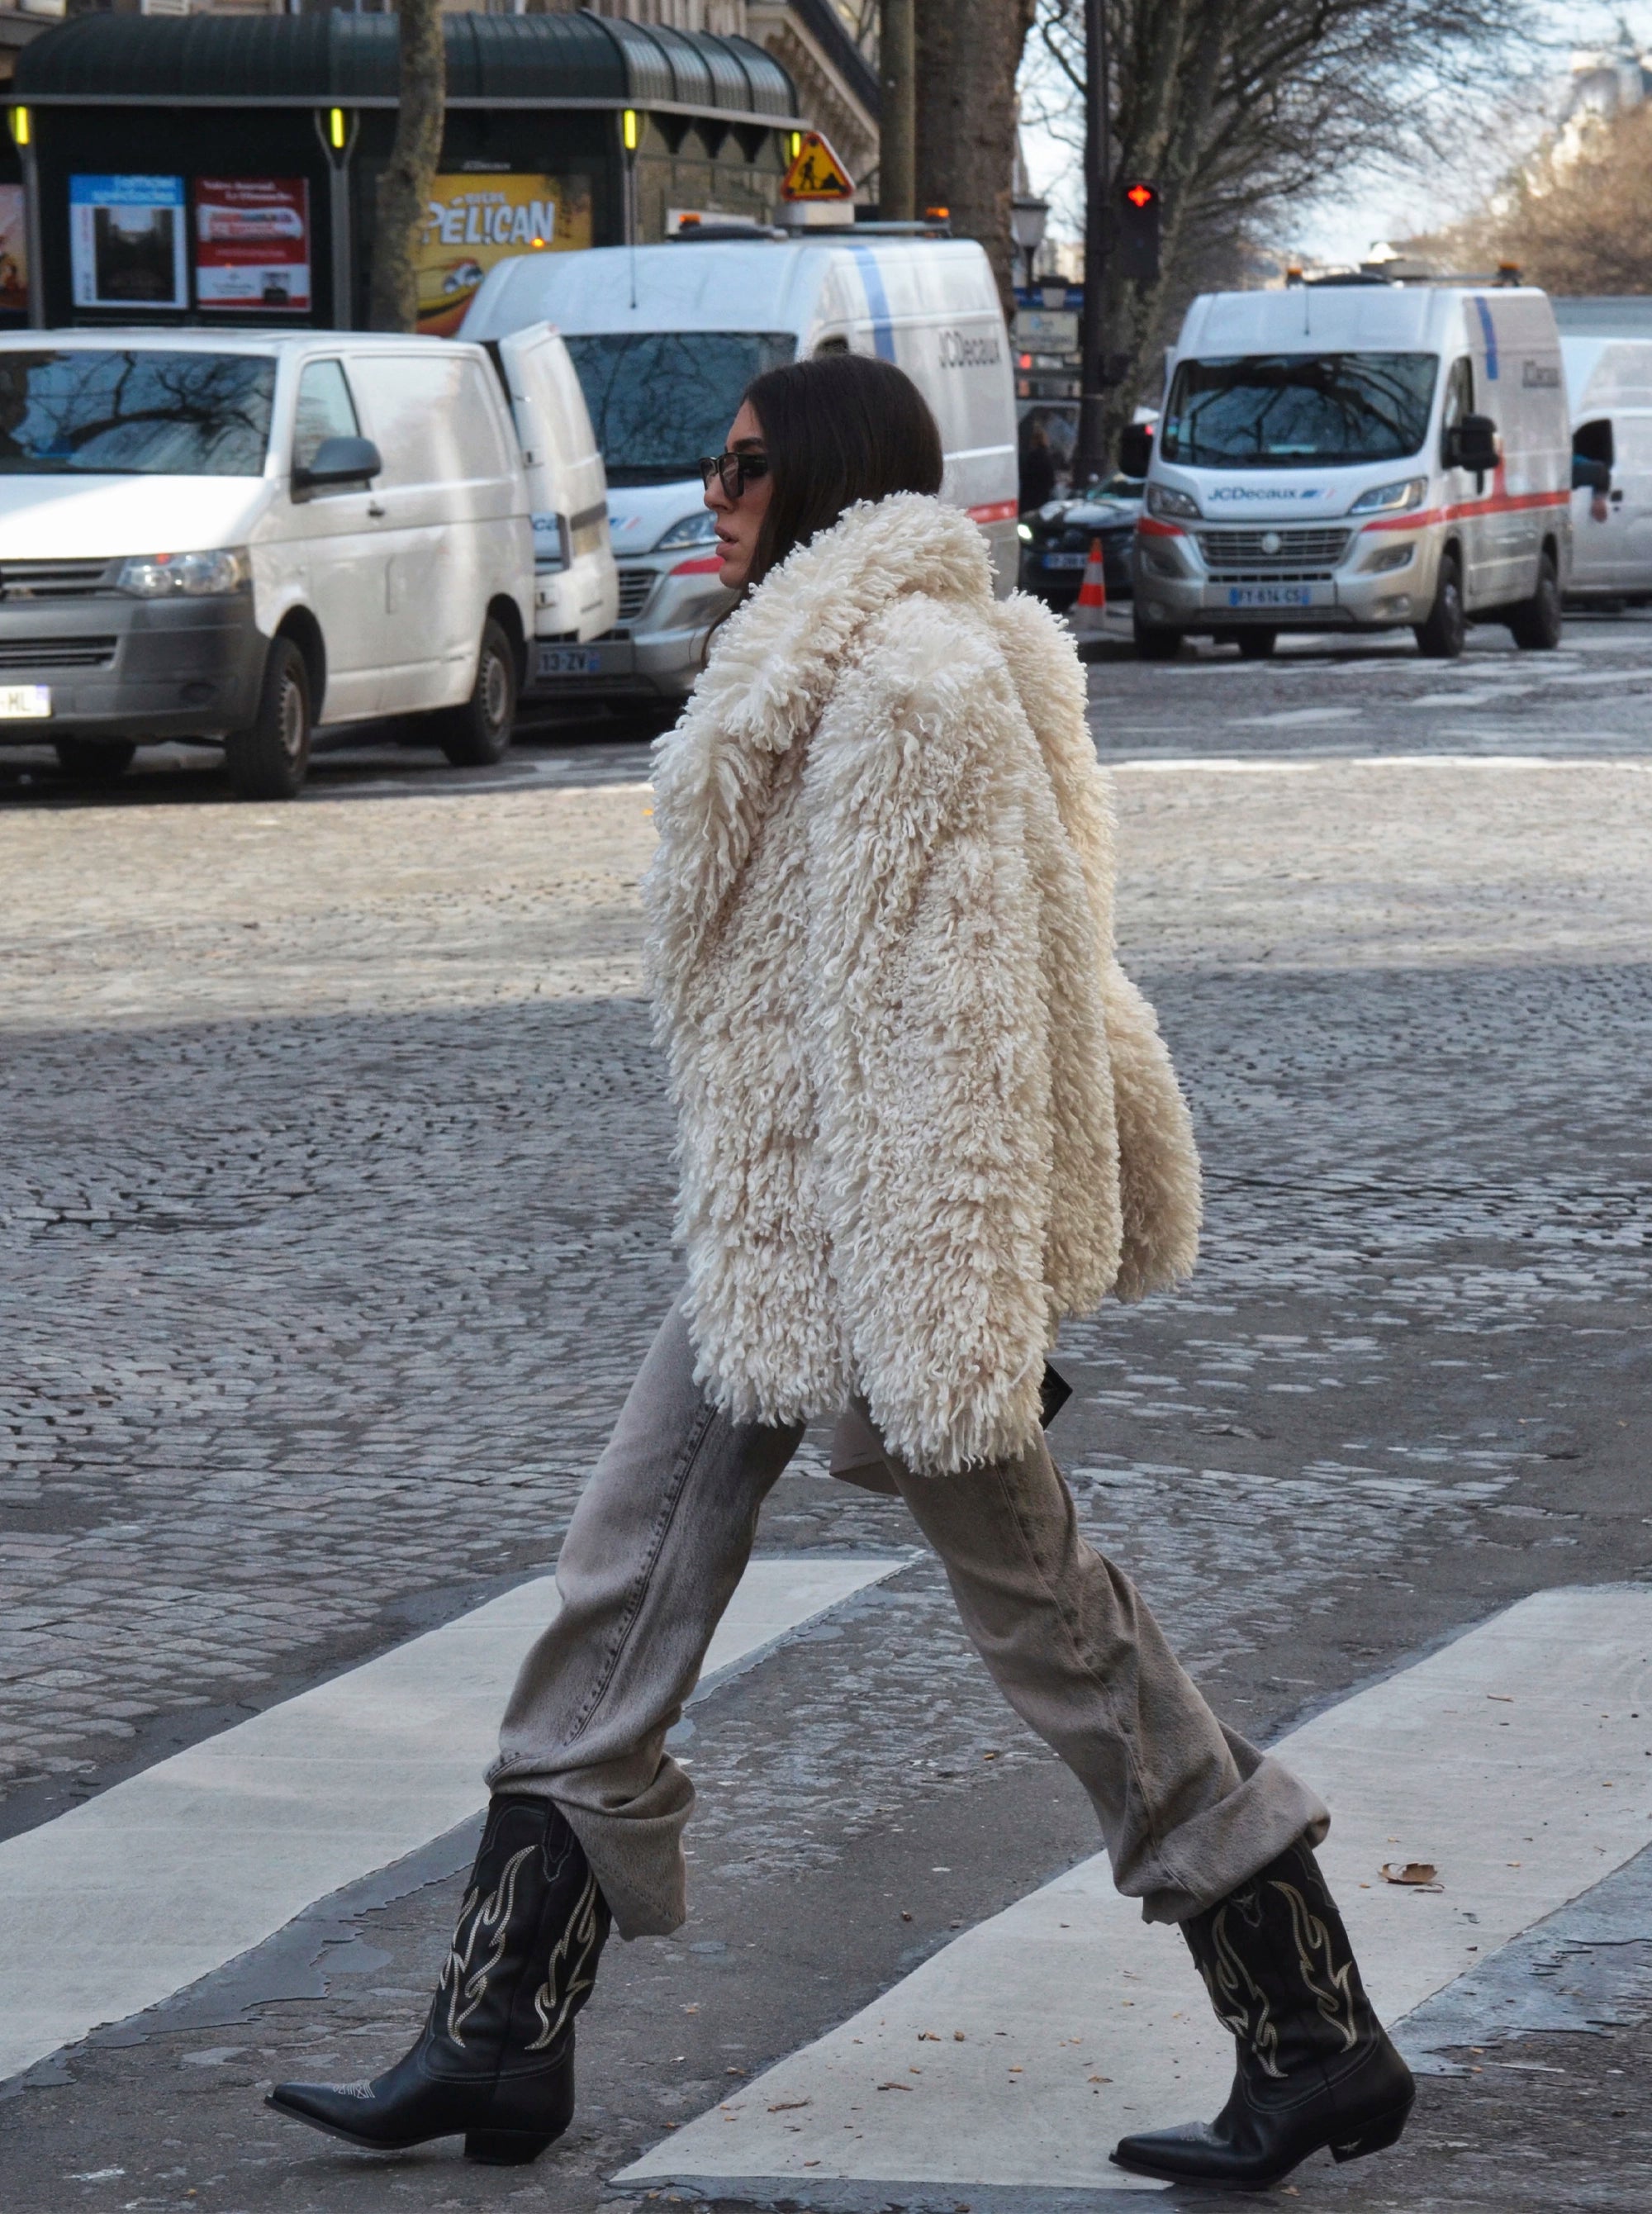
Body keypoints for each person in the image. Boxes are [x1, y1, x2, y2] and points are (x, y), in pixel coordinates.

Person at [267, 354, 1414, 2189]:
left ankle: (1312, 2027)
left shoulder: (907, 684)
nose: (705, 501)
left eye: (733, 471)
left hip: (895, 1251)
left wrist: (957, 1316)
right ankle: (495, 2033)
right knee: (619, 1579)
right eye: (709, 470)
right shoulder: (808, 668)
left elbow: (968, 1015)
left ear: (813, 479)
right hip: (775, 1241)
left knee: (1055, 1630)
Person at [1019, 412, 1057, 511]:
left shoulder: (1031, 457)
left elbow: (1024, 476)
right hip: (1043, 496)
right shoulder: (1047, 456)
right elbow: (1051, 480)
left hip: (1030, 497)